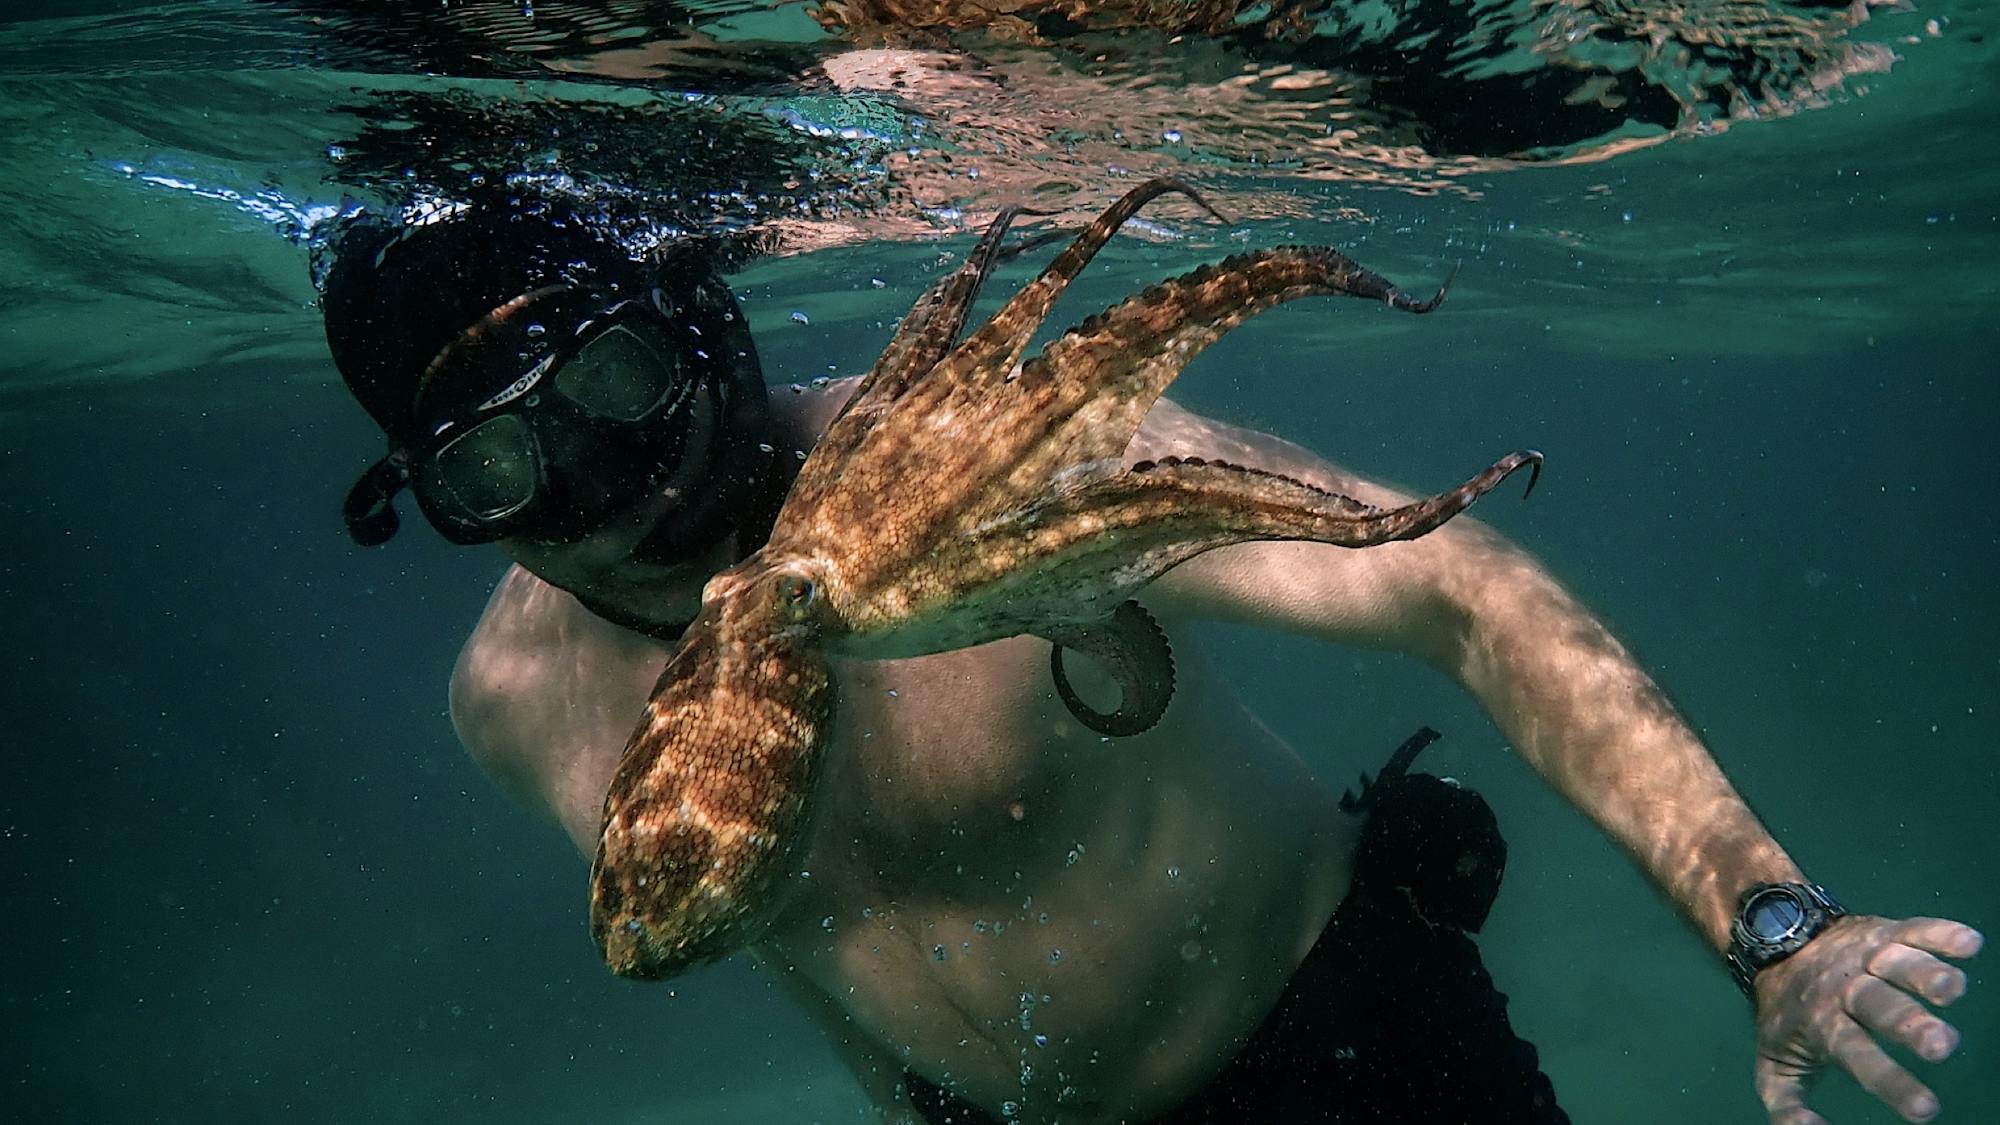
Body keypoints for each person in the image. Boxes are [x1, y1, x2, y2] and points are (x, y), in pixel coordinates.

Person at [321, 200, 1980, 1125]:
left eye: (614, 376)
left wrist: (1775, 923)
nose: (606, 488)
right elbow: (790, 945)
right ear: (437, 502)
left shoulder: (998, 468)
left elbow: (1459, 587)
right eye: (492, 468)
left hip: (1353, 1060)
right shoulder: (513, 705)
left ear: (694, 324)